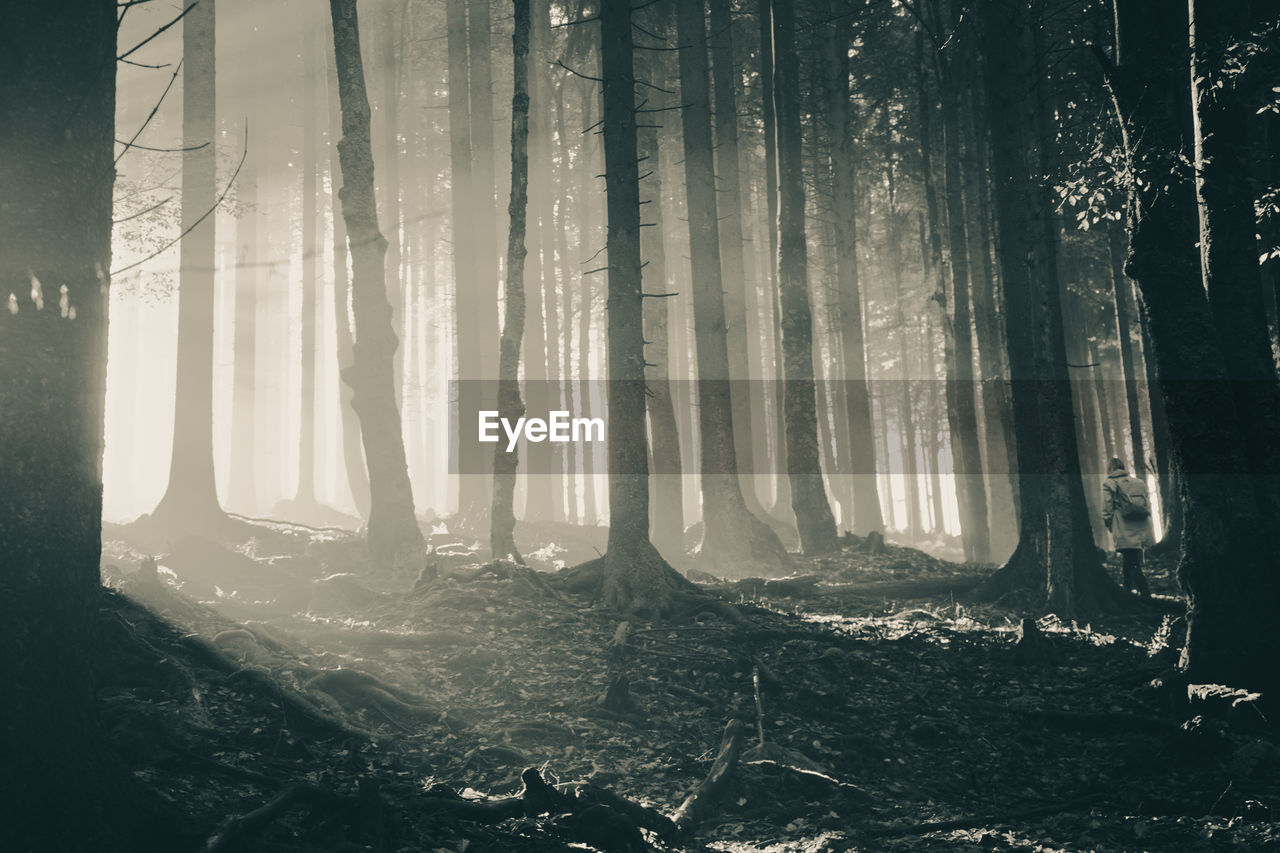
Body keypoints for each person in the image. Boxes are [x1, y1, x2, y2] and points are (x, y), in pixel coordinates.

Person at [1102, 457, 1154, 596]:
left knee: (1131, 560)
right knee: (1131, 558)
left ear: (1110, 469)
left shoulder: (1109, 483)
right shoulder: (1139, 482)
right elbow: (1147, 503)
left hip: (1123, 525)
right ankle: (1127, 589)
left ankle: (1145, 591)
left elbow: (1107, 507)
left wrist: (1108, 523)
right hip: (1140, 525)